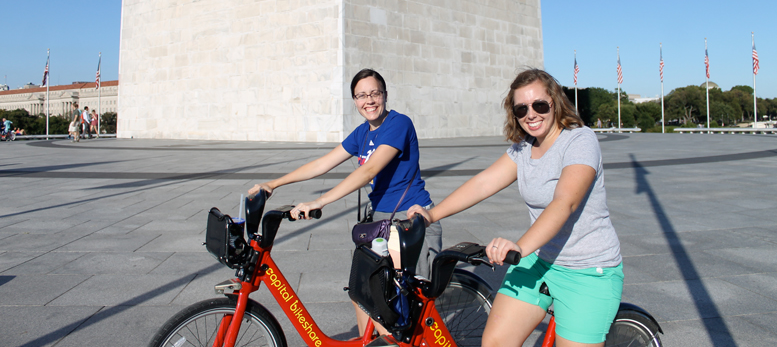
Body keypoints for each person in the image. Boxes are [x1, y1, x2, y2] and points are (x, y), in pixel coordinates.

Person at [408, 68, 623, 347]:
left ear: (556, 102)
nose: (530, 114)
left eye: (539, 105)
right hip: (540, 259)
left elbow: (564, 203)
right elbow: (484, 183)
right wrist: (431, 214)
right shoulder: (524, 148)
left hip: (586, 270)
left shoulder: (579, 140)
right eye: (521, 109)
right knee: (496, 343)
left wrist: (519, 247)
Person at [248, 68, 442, 336]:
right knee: (362, 291)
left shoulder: (399, 124)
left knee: (393, 309)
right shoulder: (362, 134)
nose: (369, 100)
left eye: (375, 93)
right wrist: (274, 184)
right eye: (361, 95)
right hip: (379, 222)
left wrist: (321, 201)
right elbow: (322, 163)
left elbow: (368, 171)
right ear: (354, 100)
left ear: (385, 95)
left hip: (409, 221)